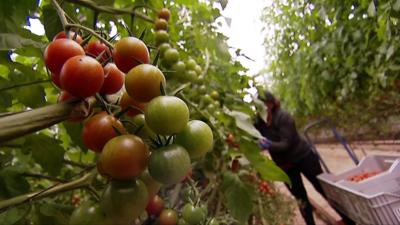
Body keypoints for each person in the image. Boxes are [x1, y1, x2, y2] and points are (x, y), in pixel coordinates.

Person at [254, 90, 355, 225]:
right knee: (300, 199)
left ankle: (349, 220)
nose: (261, 108)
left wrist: (269, 145)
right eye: (258, 106)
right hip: (285, 165)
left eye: (263, 104)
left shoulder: (283, 117)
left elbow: (286, 144)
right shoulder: (258, 122)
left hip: (304, 157)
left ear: (271, 104)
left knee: (322, 189)